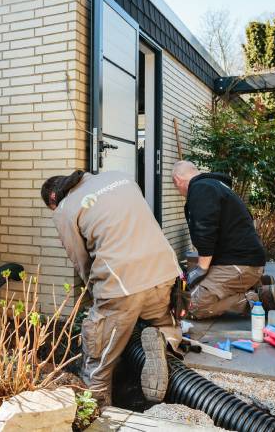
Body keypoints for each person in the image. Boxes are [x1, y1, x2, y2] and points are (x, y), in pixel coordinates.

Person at [41, 169, 182, 405]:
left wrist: (98, 295)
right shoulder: (121, 177)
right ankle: (163, 342)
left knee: (99, 357)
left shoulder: (65, 209)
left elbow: (81, 259)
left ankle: (98, 410)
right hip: (165, 270)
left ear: (53, 199)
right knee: (162, 321)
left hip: (122, 283)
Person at [171, 161, 275, 320]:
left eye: (176, 187)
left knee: (191, 306)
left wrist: (201, 268)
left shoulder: (201, 189)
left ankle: (256, 299)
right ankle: (256, 283)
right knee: (192, 293)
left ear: (177, 180)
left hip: (238, 264)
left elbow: (204, 228)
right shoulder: (214, 185)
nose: (179, 191)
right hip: (241, 261)